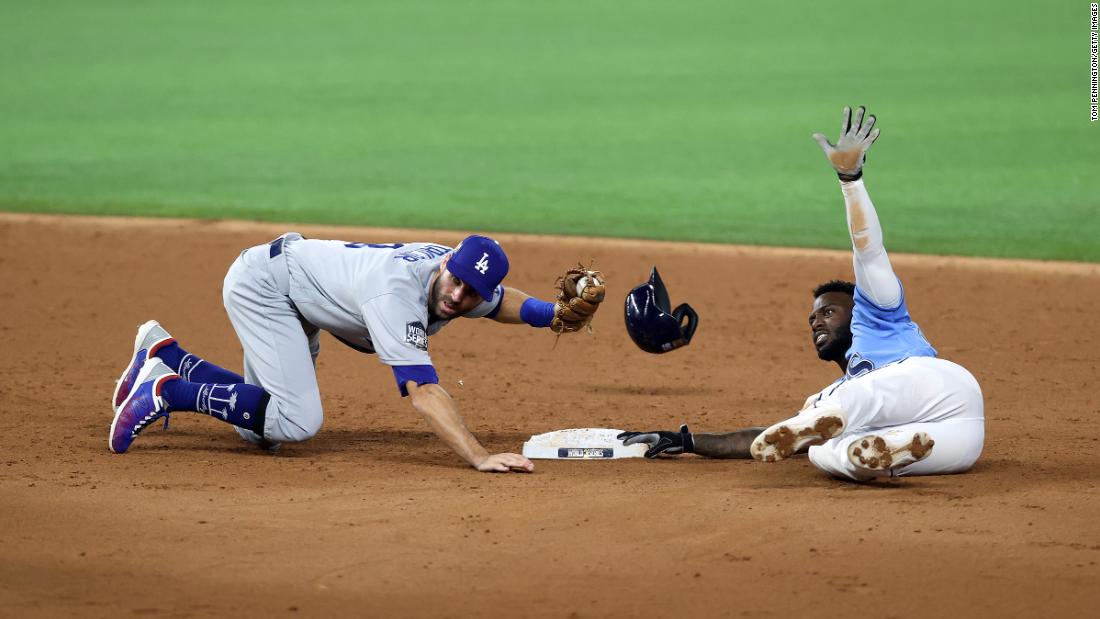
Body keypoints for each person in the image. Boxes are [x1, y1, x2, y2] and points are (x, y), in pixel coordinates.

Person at [618, 106, 984, 481]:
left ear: (858, 309)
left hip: (937, 390)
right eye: (812, 317)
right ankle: (879, 454)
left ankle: (849, 436)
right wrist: (689, 441)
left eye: (828, 312)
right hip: (956, 435)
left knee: (851, 406)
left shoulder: (881, 312)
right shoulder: (826, 396)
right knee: (827, 452)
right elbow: (763, 440)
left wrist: (850, 179)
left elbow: (868, 251)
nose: (815, 321)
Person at [110, 233, 605, 473]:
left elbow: (500, 302)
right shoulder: (395, 297)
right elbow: (423, 391)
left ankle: (166, 355)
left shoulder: (458, 278)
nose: (459, 298)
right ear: (446, 265)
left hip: (296, 292)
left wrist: (551, 314)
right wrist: (478, 456)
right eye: (456, 283)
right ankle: (168, 390)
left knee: (256, 428)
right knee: (295, 422)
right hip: (265, 288)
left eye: (472, 291)